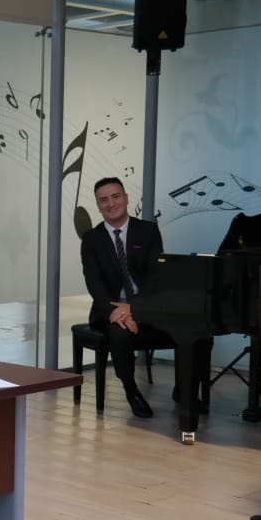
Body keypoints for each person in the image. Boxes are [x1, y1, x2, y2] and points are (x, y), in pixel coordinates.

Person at [80, 177, 174, 419]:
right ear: (98, 205)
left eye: (116, 196)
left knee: (189, 327)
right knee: (119, 332)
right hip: (110, 310)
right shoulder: (91, 239)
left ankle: (185, 391)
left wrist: (134, 309)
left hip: (146, 306)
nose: (111, 204)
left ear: (126, 198)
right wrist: (117, 312)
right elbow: (94, 282)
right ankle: (131, 391)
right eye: (104, 200)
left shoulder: (148, 230)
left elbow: (156, 276)